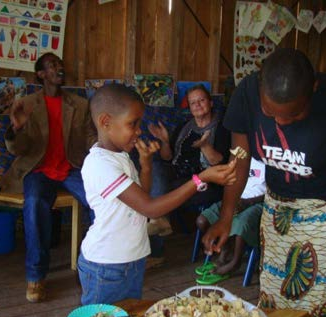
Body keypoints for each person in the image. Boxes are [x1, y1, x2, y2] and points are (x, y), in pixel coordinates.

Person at [202, 48, 326, 317]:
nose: (282, 123)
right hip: (278, 210)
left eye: (295, 114)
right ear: (260, 88)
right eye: (272, 115)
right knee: (273, 302)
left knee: (317, 311)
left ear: (313, 89)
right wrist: (226, 216)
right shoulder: (247, 93)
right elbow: (241, 155)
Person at [78, 84, 236, 305]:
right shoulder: (99, 164)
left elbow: (141, 196)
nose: (139, 131)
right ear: (105, 122)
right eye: (132, 124)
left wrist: (146, 166)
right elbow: (149, 207)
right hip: (106, 266)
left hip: (131, 259)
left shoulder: (119, 156)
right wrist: (202, 178)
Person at [0, 52, 97, 303]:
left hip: (72, 167)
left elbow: (89, 138)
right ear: (41, 74)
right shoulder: (28, 104)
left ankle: (95, 263)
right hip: (39, 169)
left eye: (60, 64)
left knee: (100, 201)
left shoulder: (80, 104)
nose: (59, 68)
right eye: (52, 65)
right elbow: (18, 149)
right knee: (33, 204)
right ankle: (36, 276)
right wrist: (16, 129)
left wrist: (102, 147)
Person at [148, 84, 230, 206]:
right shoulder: (183, 127)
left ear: (211, 103)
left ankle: (160, 214)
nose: (197, 105)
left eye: (201, 100)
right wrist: (165, 141)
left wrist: (204, 146)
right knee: (156, 166)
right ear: (190, 108)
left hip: (205, 179)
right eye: (192, 103)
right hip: (177, 172)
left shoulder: (223, 127)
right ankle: (157, 217)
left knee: (173, 192)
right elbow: (167, 158)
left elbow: (219, 164)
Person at [195, 157, 265, 284]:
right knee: (202, 220)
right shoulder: (242, 157)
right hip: (237, 199)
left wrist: (247, 202)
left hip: (258, 203)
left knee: (240, 222)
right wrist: (232, 202)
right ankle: (225, 250)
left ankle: (234, 263)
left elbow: (271, 194)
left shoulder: (269, 160)